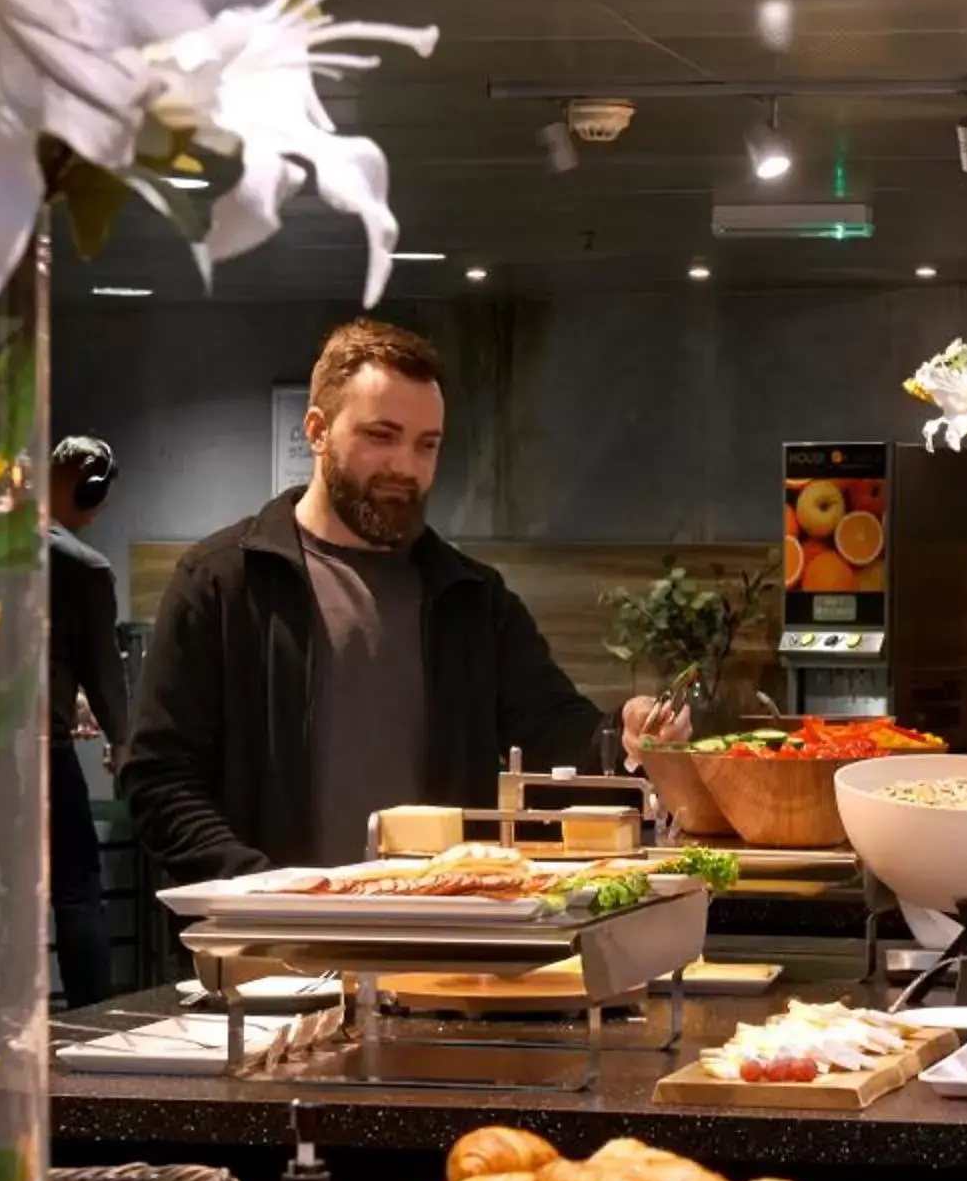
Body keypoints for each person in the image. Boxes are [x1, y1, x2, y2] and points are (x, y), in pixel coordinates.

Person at [123, 319, 683, 879]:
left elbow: (553, 735)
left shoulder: (472, 599)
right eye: (380, 436)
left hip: (441, 932)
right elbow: (160, 778)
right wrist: (260, 889)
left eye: (427, 445)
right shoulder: (222, 583)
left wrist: (623, 736)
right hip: (265, 945)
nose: (406, 468)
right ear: (317, 431)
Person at [47, 436, 132, 1010]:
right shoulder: (80, 565)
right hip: (40, 757)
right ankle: (92, 1022)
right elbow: (103, 668)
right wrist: (121, 738)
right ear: (88, 486)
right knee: (77, 892)